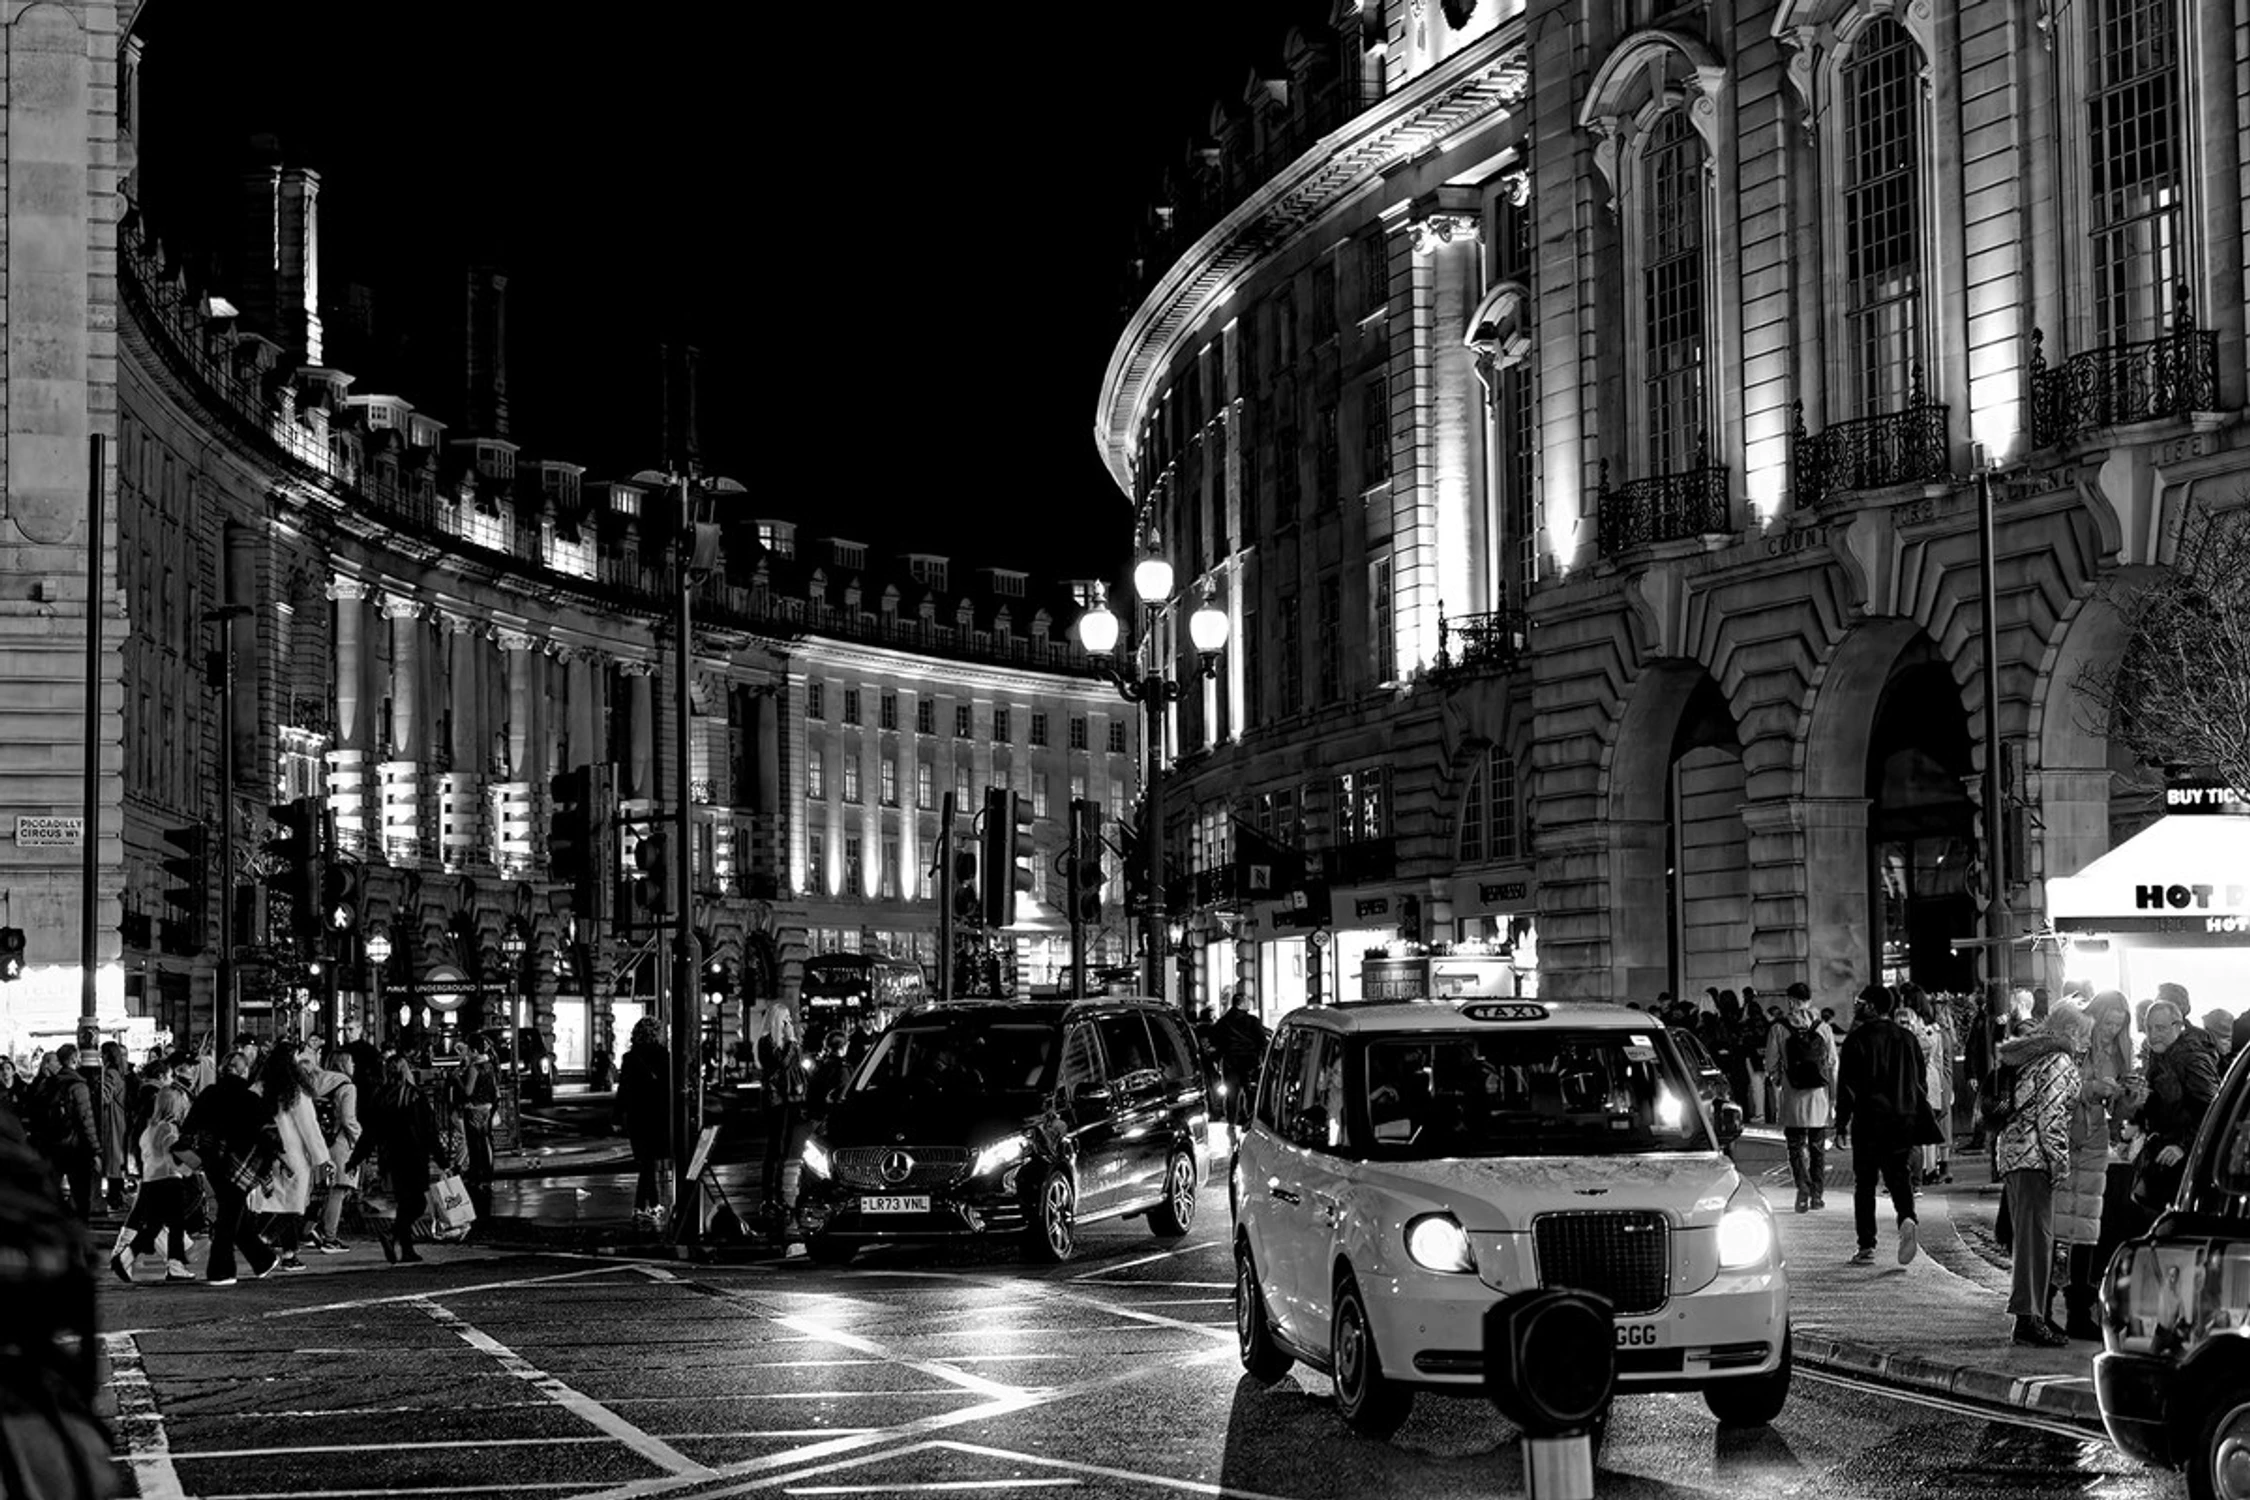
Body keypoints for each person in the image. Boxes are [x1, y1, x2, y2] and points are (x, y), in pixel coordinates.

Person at [1996, 1001, 2089, 1347]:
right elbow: (2051, 1118)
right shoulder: (2058, 1060)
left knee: (2031, 1239)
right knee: (2036, 1241)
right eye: (2084, 1035)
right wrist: (2060, 1165)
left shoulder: (2032, 1054)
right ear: (2071, 1032)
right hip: (2034, 1159)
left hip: (2016, 1154)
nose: (2087, 1043)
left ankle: (2030, 1315)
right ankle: (2028, 1319)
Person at [2055, 990, 2136, 1340]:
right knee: (2055, 1224)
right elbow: (2059, 1088)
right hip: (2065, 1138)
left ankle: (2078, 1311)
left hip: (2095, 1142)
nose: (2110, 1031)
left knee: (2087, 1228)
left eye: (2118, 1026)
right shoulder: (2077, 1042)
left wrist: (2129, 1098)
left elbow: (2119, 1115)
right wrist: (2091, 1089)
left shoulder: (2121, 1053)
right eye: (2108, 1023)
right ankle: (2040, 1307)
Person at [1836, 984, 1929, 1266]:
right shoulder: (1907, 1038)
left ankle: (1867, 1246)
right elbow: (1920, 1082)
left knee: (1864, 1183)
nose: (1857, 1006)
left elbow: (1847, 1087)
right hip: (1902, 1118)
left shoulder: (1857, 1040)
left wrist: (1841, 1123)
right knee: (1899, 1176)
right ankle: (1907, 1219)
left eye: (1861, 1002)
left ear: (1873, 1007)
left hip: (1868, 1119)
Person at [180, 1046, 279, 1285]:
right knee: (229, 1213)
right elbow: (267, 1133)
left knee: (231, 1210)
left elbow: (190, 1127)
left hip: (213, 1161)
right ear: (243, 1072)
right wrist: (271, 1161)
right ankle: (221, 1270)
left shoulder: (209, 1094)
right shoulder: (250, 1098)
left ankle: (262, 1259)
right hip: (243, 1164)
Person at [348, 1055, 445, 1264]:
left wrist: (355, 1159)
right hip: (414, 1155)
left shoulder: (381, 1097)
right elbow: (429, 1131)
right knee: (417, 1203)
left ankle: (404, 1245)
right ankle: (396, 1236)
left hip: (392, 1156)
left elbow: (370, 1133)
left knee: (405, 1201)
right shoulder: (414, 1096)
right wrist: (442, 1159)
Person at [2131, 997, 2222, 1214]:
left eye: (2160, 1028)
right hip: (2166, 1157)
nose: (2153, 1035)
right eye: (2148, 1028)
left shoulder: (2192, 1058)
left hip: (2185, 1164)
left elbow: (2212, 1110)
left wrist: (2183, 1145)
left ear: (2178, 1026)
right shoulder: (2161, 1053)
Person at [248, 1041, 326, 1273]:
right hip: (293, 1156)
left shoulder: (258, 1088)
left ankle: (290, 1254)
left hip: (266, 1154)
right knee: (294, 1206)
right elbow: (309, 1127)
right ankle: (266, 1241)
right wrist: (321, 1157)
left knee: (277, 1204)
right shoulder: (296, 1092)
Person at [113, 1082, 195, 1284]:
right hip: (168, 1182)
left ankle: (126, 1257)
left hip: (150, 1182)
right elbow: (171, 1154)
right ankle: (175, 1266)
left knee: (154, 1226)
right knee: (176, 1224)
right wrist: (187, 1169)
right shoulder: (169, 1127)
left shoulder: (148, 1129)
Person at [1767, 993, 1834, 1213]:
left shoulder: (1779, 1028)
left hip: (1792, 1092)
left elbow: (1772, 1062)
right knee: (1817, 1147)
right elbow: (1832, 1061)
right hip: (1818, 1095)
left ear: (1792, 1001)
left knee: (1795, 1146)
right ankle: (1817, 1195)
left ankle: (1802, 1187)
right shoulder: (1823, 1027)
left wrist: (1779, 1080)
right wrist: (1832, 1094)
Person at [613, 1017, 671, 1228]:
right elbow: (667, 1089)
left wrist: (617, 1116)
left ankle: (649, 1205)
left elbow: (624, 1090)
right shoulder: (664, 1056)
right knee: (650, 1162)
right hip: (657, 1116)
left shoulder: (630, 1057)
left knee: (646, 1162)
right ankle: (643, 1206)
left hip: (637, 1117)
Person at [757, 1006, 808, 1237]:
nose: (790, 1023)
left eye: (790, 1019)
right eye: (786, 1019)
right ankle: (769, 1196)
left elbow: (796, 1067)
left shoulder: (789, 1043)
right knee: (774, 1149)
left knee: (785, 1149)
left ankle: (777, 1195)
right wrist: (791, 1043)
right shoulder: (767, 1042)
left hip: (790, 1097)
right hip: (776, 1099)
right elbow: (781, 1064)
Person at [33, 1045, 100, 1221]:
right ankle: (79, 1237)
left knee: (51, 1194)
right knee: (81, 1196)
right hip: (75, 1149)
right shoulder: (78, 1086)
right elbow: (87, 1121)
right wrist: (96, 1150)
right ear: (74, 1059)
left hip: (51, 1148)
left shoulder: (46, 1084)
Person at [306, 1049, 362, 1252]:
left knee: (319, 1190)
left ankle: (308, 1230)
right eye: (352, 1062)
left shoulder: (318, 1084)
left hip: (320, 1141)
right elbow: (348, 1119)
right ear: (344, 1064)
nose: (354, 1066)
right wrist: (359, 1138)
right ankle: (330, 1236)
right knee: (339, 1189)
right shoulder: (347, 1086)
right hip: (340, 1142)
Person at [453, 1035, 499, 1222]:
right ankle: (486, 1176)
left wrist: (457, 1079)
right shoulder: (490, 1065)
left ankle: (477, 1177)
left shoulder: (474, 1067)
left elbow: (468, 1091)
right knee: (485, 1141)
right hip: (487, 1109)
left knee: (475, 1144)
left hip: (474, 1110)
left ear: (474, 1051)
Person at [1210, 990, 1268, 1129]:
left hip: (1230, 1063)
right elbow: (1262, 1040)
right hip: (1249, 1062)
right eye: (1247, 1001)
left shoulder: (1224, 1022)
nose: (1249, 1003)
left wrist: (1218, 1055)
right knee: (1251, 1093)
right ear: (1241, 1004)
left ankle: (1231, 1122)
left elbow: (1214, 1039)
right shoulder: (1252, 1021)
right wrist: (1259, 1055)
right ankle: (1250, 1121)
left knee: (1232, 1095)